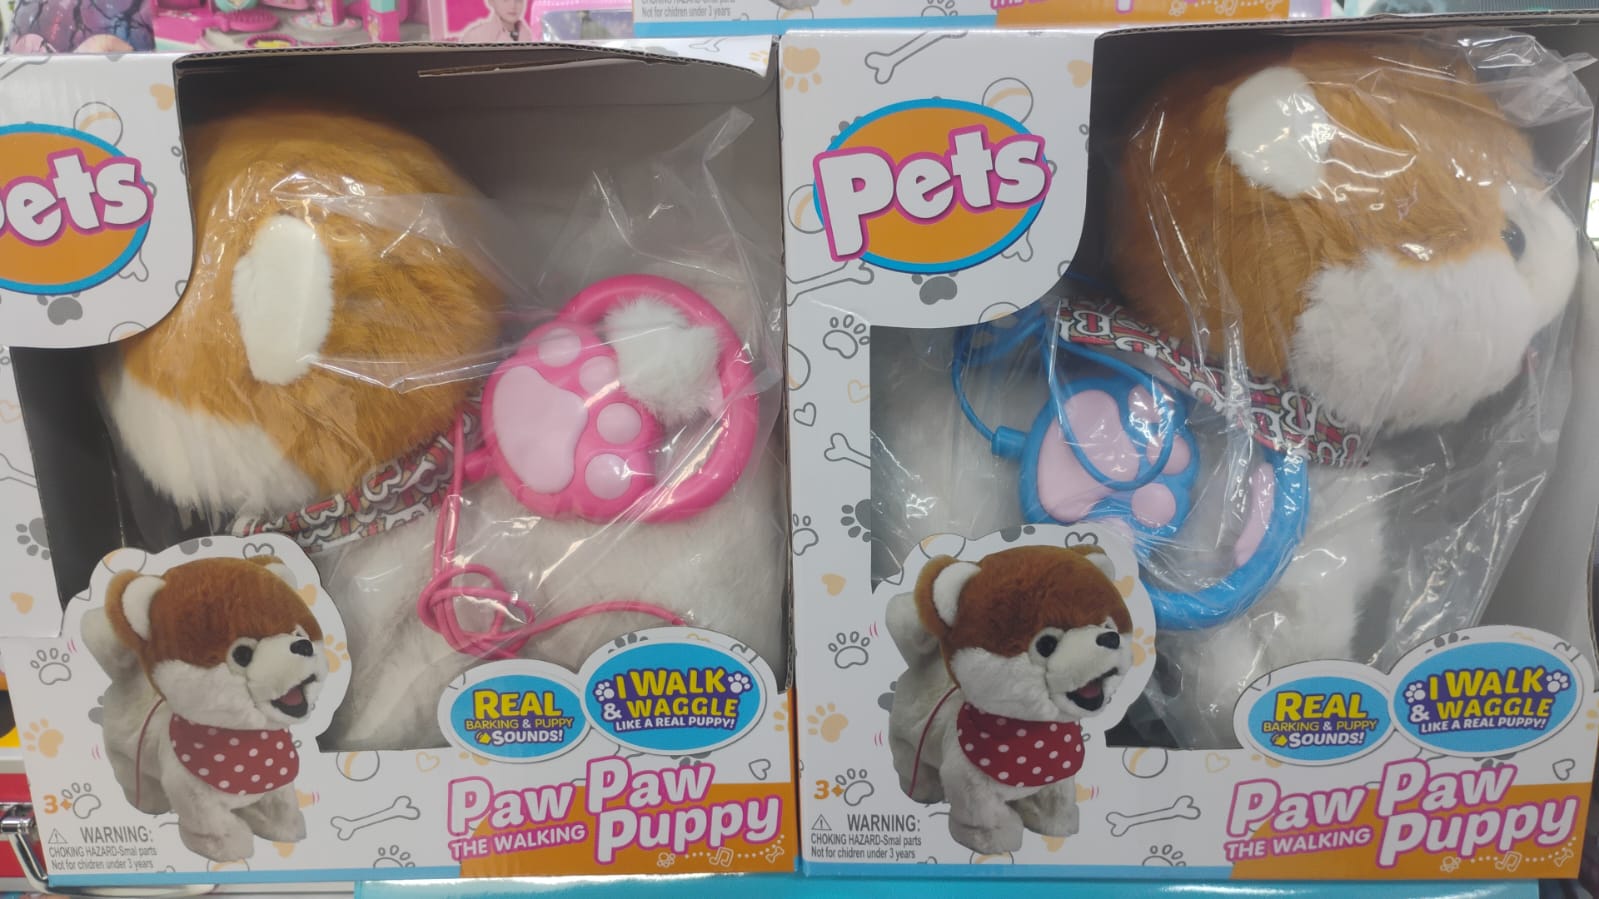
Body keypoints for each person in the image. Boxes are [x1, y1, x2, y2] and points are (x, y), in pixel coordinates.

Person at [459, 0, 528, 42]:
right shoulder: (475, 37)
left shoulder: (528, 34)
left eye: (519, 0)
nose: (513, 6)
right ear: (491, 1)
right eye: (506, 0)